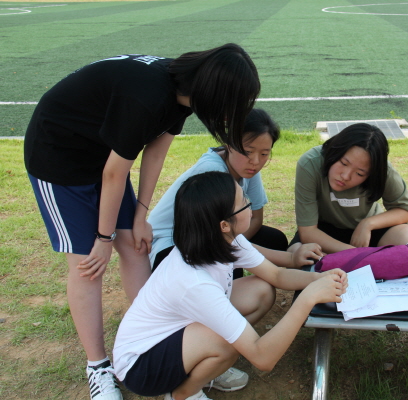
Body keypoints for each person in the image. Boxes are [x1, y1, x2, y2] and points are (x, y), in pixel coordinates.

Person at [23, 44, 260, 400]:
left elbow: (155, 153)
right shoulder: (147, 96)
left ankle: (165, 344)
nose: (232, 115)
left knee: (136, 246)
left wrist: (140, 216)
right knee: (88, 265)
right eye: (233, 104)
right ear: (213, 91)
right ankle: (98, 366)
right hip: (58, 159)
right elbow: (114, 174)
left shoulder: (184, 94)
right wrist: (103, 238)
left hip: (103, 157)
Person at [113, 171, 347, 400]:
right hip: (141, 365)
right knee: (227, 342)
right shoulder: (194, 282)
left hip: (177, 332)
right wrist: (307, 298)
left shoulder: (223, 239)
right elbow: (263, 359)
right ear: (224, 224)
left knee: (261, 290)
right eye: (243, 201)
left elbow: (276, 275)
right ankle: (182, 394)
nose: (249, 202)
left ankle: (205, 362)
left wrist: (320, 279)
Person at [149, 108, 323, 275]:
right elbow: (219, 239)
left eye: (264, 154)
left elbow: (255, 218)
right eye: (248, 151)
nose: (256, 161)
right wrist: (289, 258)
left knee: (273, 240)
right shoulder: (212, 171)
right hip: (170, 244)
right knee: (230, 260)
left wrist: (238, 246)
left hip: (215, 237)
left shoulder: (247, 168)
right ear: (229, 144)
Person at [289, 123, 408, 254]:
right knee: (299, 253)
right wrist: (357, 254)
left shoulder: (382, 170)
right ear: (334, 151)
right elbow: (308, 232)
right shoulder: (310, 163)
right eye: (343, 163)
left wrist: (367, 224)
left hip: (368, 232)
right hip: (323, 231)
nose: (345, 176)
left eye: (359, 173)